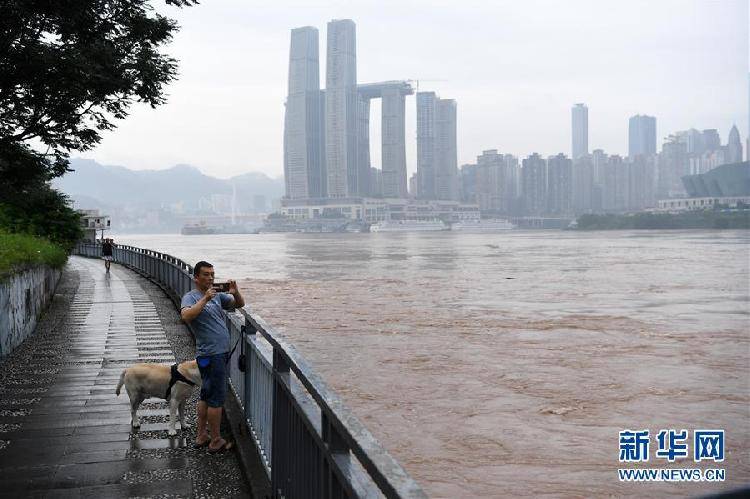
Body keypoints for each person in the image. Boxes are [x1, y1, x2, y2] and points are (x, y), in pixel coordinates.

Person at [180, 261, 245, 453]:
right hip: (211, 354)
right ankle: (216, 440)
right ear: (196, 278)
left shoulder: (217, 296)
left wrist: (235, 291)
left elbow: (240, 304)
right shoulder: (190, 297)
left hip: (216, 354)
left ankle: (202, 435)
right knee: (216, 398)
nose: (210, 278)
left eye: (212, 275)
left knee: (206, 395)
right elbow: (186, 316)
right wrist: (205, 299)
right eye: (206, 275)